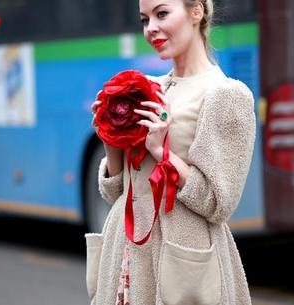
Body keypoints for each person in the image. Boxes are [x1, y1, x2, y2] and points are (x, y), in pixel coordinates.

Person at [87, 0, 256, 304]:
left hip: (180, 262)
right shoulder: (146, 88)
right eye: (144, 19)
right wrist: (110, 143)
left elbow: (219, 203)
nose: (151, 28)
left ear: (196, 11)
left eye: (162, 14)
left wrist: (162, 152)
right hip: (125, 259)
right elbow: (117, 193)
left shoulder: (226, 96)